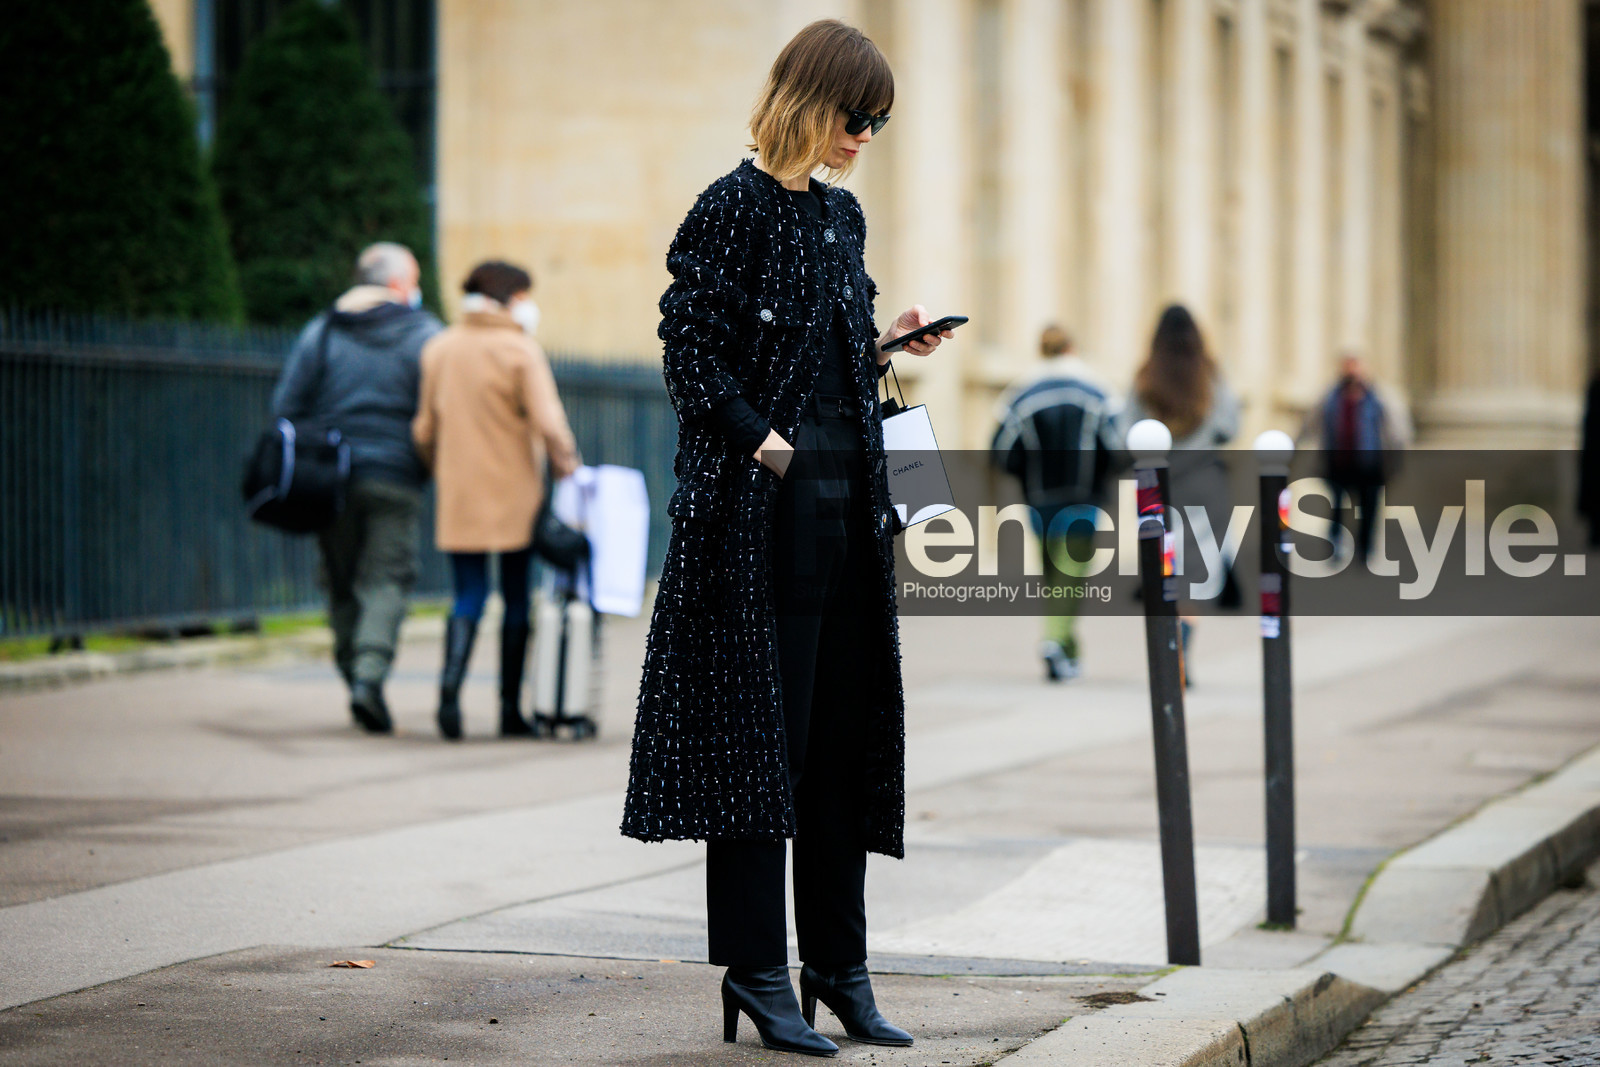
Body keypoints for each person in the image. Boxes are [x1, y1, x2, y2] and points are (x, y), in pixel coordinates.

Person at [621, 20, 952, 1057]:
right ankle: (758, 968)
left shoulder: (841, 219)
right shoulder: (733, 206)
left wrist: (893, 340)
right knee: (761, 743)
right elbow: (690, 354)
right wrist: (766, 448)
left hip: (851, 504)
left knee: (842, 741)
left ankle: (839, 967)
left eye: (880, 122)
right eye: (857, 115)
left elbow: (826, 348)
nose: (865, 135)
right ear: (808, 98)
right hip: (760, 519)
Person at [271, 242, 442, 733]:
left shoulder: (322, 331)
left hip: (331, 479)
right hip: (398, 476)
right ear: (394, 285)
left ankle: (355, 677)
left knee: (342, 580)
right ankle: (369, 677)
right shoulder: (426, 334)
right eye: (411, 280)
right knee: (387, 578)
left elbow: (286, 404)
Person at [412, 261, 579, 741]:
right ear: (510, 298)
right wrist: (569, 469)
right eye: (524, 295)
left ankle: (449, 694)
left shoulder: (439, 348)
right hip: (516, 496)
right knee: (515, 599)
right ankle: (509, 710)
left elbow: (423, 430)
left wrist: (436, 466)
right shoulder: (520, 351)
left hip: (459, 493)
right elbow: (551, 425)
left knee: (466, 595)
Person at [991, 325, 1122, 682]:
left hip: (1039, 501)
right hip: (1083, 499)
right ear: (1072, 348)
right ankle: (1053, 640)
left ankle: (1068, 652)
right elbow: (1118, 445)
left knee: (1057, 576)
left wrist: (1025, 474)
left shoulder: (1020, 393)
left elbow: (1001, 451)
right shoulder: (1097, 391)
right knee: (1070, 575)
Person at [1122, 305, 1239, 683]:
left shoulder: (1145, 377)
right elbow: (1228, 424)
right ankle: (1182, 646)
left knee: (1164, 567)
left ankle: (1170, 645)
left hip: (1159, 484)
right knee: (1198, 571)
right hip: (1205, 483)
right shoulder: (1209, 374)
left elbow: (1124, 430)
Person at [1300, 350, 1412, 565]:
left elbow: (1398, 429)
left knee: (1368, 509)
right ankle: (1335, 547)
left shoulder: (1379, 397)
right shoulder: (1331, 396)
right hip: (1338, 463)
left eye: (1356, 365)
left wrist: (1397, 458)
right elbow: (1311, 423)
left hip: (1370, 464)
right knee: (1336, 507)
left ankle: (1364, 550)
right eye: (1348, 365)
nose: (1352, 371)